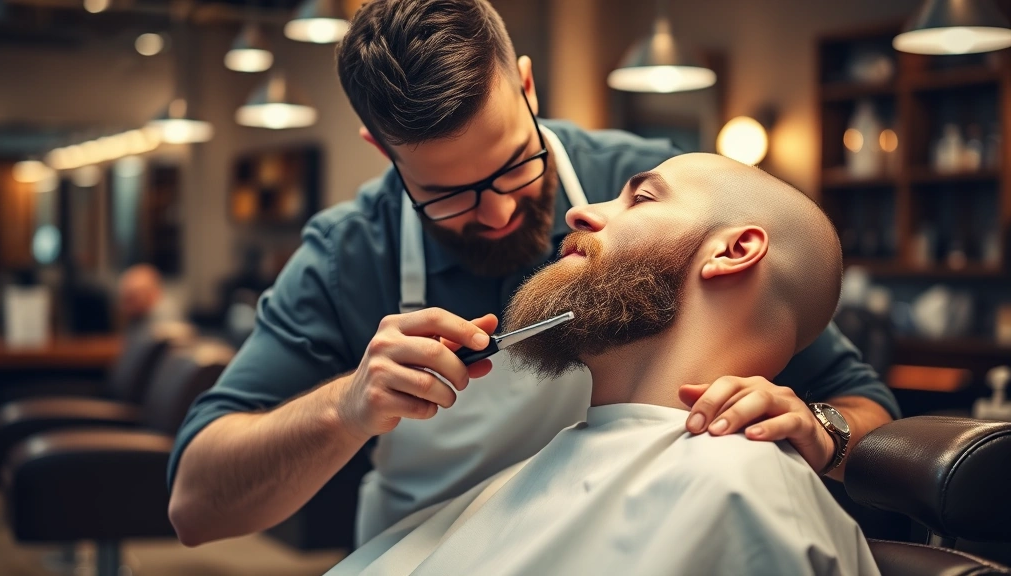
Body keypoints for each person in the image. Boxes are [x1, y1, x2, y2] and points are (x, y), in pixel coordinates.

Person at [166, 0, 899, 548]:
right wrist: (347, 408)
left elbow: (865, 407)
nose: (496, 213)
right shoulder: (350, 252)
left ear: (526, 87)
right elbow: (197, 505)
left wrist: (822, 427)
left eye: (514, 164)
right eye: (449, 195)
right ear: (380, 148)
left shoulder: (642, 193)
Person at [326, 153, 880, 576]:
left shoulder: (742, 492)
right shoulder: (557, 462)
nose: (579, 211)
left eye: (641, 198)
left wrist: (827, 431)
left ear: (733, 252)